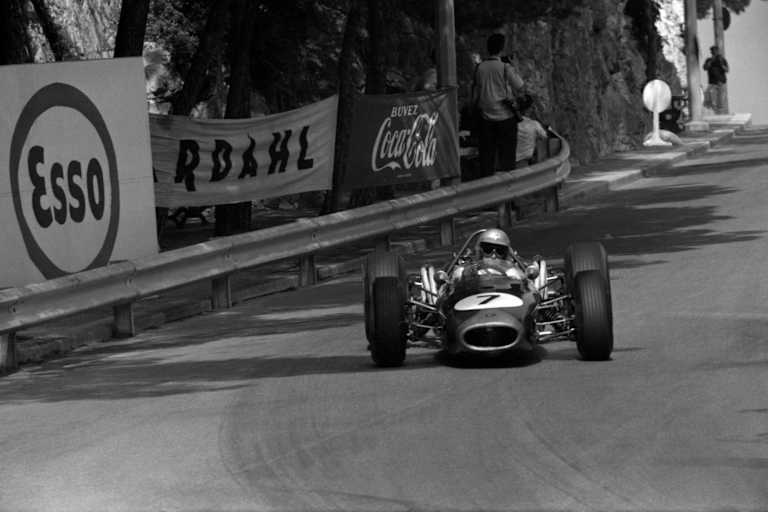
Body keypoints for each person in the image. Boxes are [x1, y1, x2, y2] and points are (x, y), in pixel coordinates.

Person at [472, 33, 525, 178]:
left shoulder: (479, 68)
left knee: (486, 159)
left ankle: (488, 192)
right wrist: (515, 67)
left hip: (486, 119)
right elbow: (520, 86)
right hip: (506, 118)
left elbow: (475, 95)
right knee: (507, 159)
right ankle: (509, 195)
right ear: (502, 48)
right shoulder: (505, 67)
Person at [515, 94, 548, 166]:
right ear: (530, 109)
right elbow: (545, 136)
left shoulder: (509, 123)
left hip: (508, 160)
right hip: (523, 161)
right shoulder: (534, 124)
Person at [703, 45, 729, 114]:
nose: (714, 52)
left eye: (715, 51)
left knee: (720, 101)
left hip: (721, 82)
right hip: (712, 83)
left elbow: (727, 70)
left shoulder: (722, 59)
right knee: (710, 99)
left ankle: (720, 114)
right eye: (712, 51)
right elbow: (705, 68)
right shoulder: (709, 60)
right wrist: (711, 61)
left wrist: (721, 64)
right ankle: (715, 113)